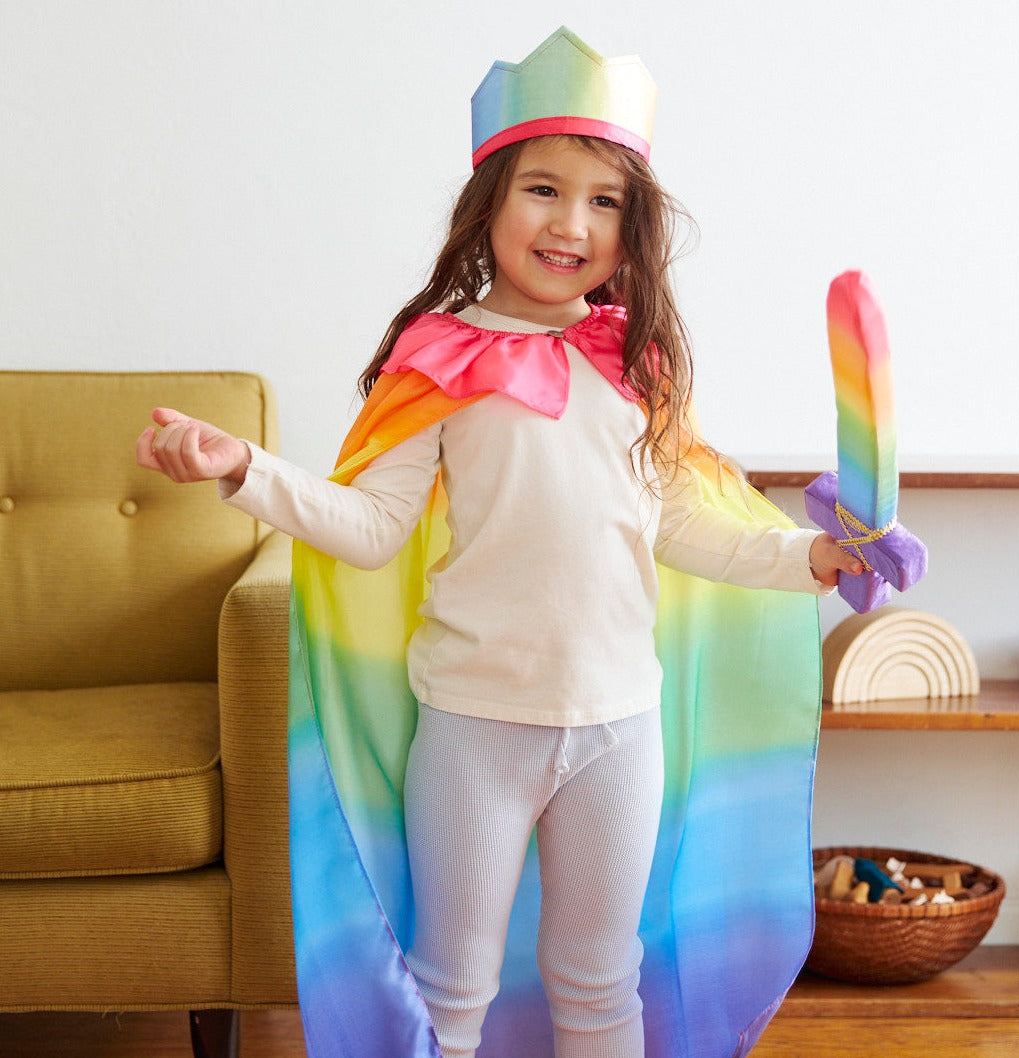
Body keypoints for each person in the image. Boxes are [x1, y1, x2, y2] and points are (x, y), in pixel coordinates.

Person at [137, 27, 861, 1058]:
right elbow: (371, 527)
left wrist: (807, 558)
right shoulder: (439, 358)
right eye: (542, 188)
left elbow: (682, 522)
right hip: (474, 725)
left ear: (631, 225)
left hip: (618, 728)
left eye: (603, 199)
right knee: (451, 986)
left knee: (600, 980)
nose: (571, 221)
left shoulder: (633, 363)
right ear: (488, 203)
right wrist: (242, 467)